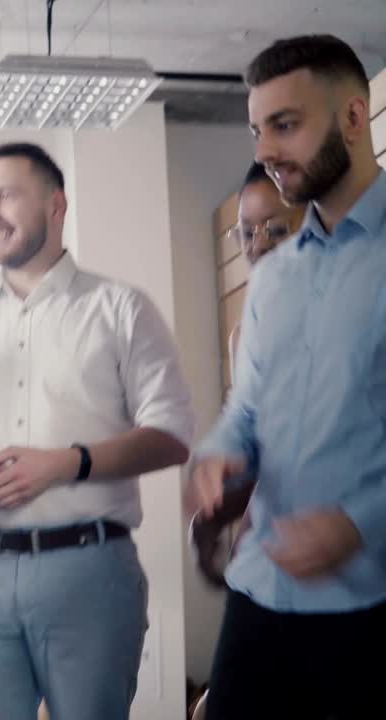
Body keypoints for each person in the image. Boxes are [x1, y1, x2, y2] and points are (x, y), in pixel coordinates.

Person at [0, 142, 194, 720]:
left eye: (5, 196)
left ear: (56, 205)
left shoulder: (121, 309)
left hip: (89, 570)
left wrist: (68, 463)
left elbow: (171, 433)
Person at [187, 34, 386, 720]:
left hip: (368, 608)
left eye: (285, 124)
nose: (266, 149)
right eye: (257, 130)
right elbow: (247, 410)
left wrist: (360, 523)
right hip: (259, 595)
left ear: (354, 118)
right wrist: (217, 458)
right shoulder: (273, 280)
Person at [190, 161, 305, 589]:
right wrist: (215, 513)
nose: (258, 245)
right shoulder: (245, 337)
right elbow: (264, 456)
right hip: (276, 549)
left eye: (276, 229)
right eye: (246, 232)